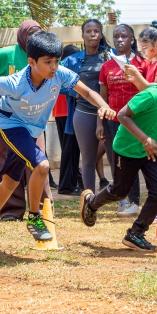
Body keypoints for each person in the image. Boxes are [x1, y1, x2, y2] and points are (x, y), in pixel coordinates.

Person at [0, 31, 115, 250]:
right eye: (48, 62)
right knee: (42, 165)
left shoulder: (59, 73)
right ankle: (34, 217)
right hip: (10, 124)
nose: (53, 67)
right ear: (31, 62)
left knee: (10, 181)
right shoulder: (16, 82)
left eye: (56, 61)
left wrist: (104, 105)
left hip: (33, 129)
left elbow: (88, 92)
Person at [80, 58, 157, 252]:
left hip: (151, 149)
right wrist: (145, 139)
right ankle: (91, 203)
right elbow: (122, 115)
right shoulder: (151, 95)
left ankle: (136, 233)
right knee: (119, 191)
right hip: (127, 149)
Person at [0, 20, 48, 220]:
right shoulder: (8, 54)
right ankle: (11, 211)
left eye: (38, 33)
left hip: (33, 115)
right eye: (30, 33)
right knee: (7, 161)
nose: (34, 37)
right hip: (6, 115)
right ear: (22, 35)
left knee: (38, 159)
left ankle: (42, 207)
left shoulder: (44, 55)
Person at [124, 21, 157, 219]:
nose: (142, 52)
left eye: (144, 47)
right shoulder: (152, 63)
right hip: (152, 118)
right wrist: (134, 78)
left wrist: (137, 76)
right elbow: (147, 92)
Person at [97, 24, 146, 216]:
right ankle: (122, 200)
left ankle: (135, 202)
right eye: (116, 36)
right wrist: (100, 123)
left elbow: (148, 91)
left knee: (134, 160)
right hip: (113, 121)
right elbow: (103, 98)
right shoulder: (106, 67)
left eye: (124, 36)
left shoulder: (141, 64)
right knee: (116, 160)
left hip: (136, 120)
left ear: (132, 40)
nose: (119, 39)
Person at [61, 19, 111, 194]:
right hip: (84, 114)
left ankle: (123, 200)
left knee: (115, 156)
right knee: (88, 160)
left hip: (109, 113)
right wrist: (75, 92)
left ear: (101, 34)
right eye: (88, 31)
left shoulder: (110, 56)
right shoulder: (72, 60)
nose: (92, 34)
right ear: (82, 35)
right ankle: (89, 200)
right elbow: (55, 80)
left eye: (96, 31)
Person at [54, 44, 82, 196]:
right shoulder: (64, 70)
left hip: (64, 113)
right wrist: (74, 92)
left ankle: (72, 182)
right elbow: (59, 87)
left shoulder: (65, 70)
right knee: (69, 149)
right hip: (66, 113)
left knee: (71, 149)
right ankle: (67, 185)